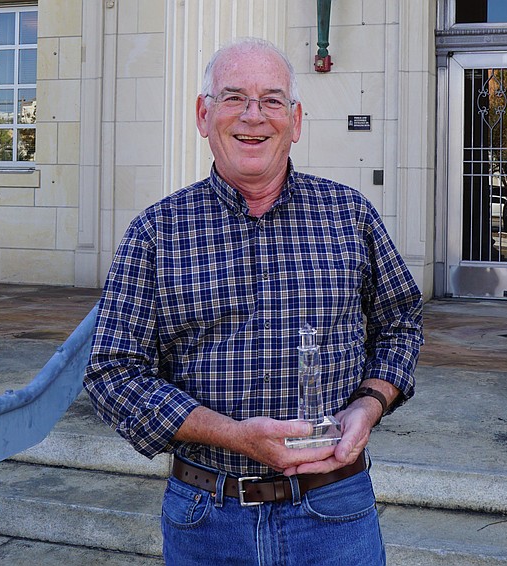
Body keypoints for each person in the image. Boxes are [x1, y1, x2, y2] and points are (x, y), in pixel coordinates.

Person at [83, 37, 423, 565]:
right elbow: (112, 372)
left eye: (271, 100)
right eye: (234, 97)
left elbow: (400, 323)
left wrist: (369, 403)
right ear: (203, 114)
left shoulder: (350, 216)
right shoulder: (155, 233)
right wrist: (234, 436)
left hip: (335, 508)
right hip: (207, 518)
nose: (253, 115)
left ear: (296, 120)